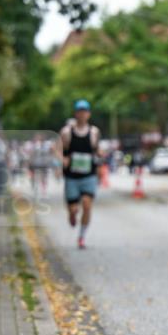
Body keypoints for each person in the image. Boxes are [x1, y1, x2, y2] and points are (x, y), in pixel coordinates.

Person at [58, 100, 102, 249]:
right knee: (74, 209)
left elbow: (97, 150)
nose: (82, 114)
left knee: (87, 205)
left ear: (88, 114)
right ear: (76, 114)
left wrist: (100, 155)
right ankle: (71, 214)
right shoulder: (66, 132)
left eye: (85, 111)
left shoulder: (94, 132)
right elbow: (57, 149)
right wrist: (62, 159)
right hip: (72, 176)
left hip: (89, 175)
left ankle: (82, 237)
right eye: (80, 111)